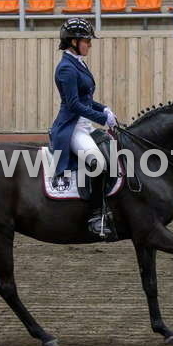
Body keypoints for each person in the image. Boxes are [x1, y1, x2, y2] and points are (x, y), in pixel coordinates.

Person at [48, 17, 118, 239]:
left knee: (113, 151)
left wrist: (104, 108)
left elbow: (85, 98)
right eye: (87, 41)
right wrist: (103, 118)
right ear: (73, 41)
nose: (90, 44)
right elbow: (73, 104)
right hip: (72, 128)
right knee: (98, 163)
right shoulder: (66, 68)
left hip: (84, 126)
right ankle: (95, 216)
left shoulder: (78, 62)